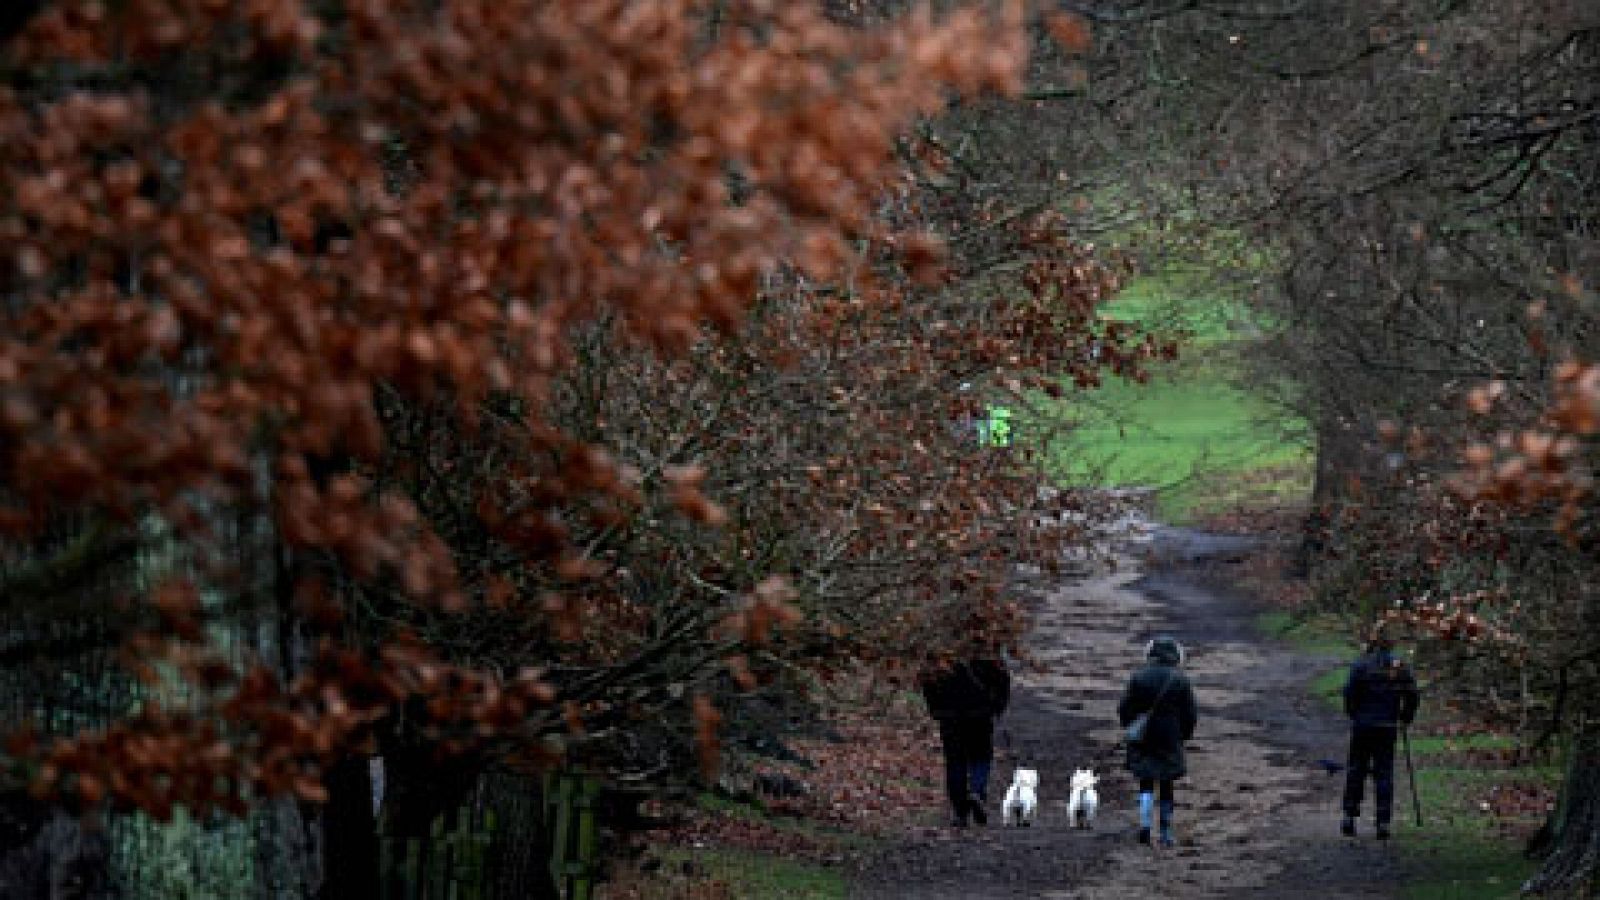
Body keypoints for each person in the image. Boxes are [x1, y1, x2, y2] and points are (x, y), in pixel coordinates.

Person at [1340, 625, 1420, 840]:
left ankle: (1349, 815)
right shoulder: (1399, 666)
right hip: (1387, 726)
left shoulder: (1361, 664)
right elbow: (1412, 694)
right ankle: (1383, 822)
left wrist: (1355, 714)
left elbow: (1349, 693)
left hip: (1363, 725)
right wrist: (1405, 718)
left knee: (1356, 768)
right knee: (1384, 773)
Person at [1117, 636, 1198, 847]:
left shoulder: (1138, 677)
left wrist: (1131, 727)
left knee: (1145, 782)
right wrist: (1184, 734)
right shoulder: (1180, 680)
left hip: (1144, 736)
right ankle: (1165, 832)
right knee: (1166, 784)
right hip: (1170, 736)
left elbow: (1124, 708)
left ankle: (1144, 825)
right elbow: (1190, 713)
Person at [919, 650, 1011, 827]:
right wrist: (997, 706)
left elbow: (928, 678)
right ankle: (977, 790)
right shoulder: (986, 648)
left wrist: (935, 708)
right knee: (981, 756)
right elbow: (1002, 679)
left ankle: (960, 810)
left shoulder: (941, 647)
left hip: (949, 715)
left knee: (955, 761)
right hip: (980, 713)